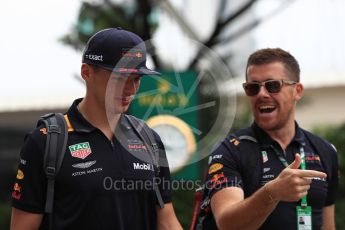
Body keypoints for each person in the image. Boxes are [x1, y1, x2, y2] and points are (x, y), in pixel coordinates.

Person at [11, 28, 182, 230]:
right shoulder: (46, 140)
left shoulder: (148, 138)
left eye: (137, 79)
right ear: (86, 72)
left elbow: (166, 220)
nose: (131, 90)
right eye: (120, 78)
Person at [195, 48, 338, 230]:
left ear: (298, 90)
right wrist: (273, 192)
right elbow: (227, 224)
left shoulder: (324, 150)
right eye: (253, 87)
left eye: (272, 85)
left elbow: (328, 226)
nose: (261, 94)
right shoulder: (229, 150)